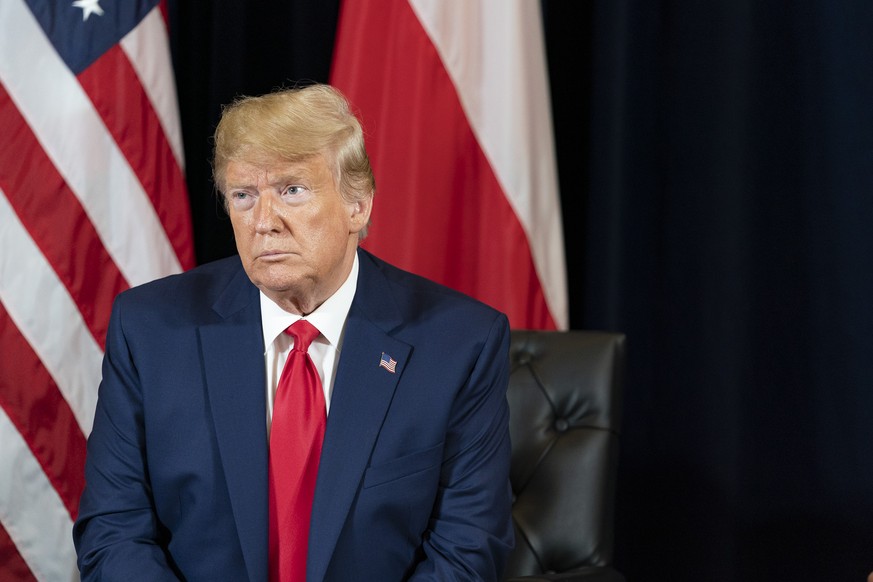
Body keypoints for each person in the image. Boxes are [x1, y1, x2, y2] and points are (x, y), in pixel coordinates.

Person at [72, 84, 514, 581]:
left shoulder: (459, 344)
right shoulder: (151, 330)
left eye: (292, 190)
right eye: (243, 196)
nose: (264, 222)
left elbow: (467, 551)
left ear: (358, 205)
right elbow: (113, 531)